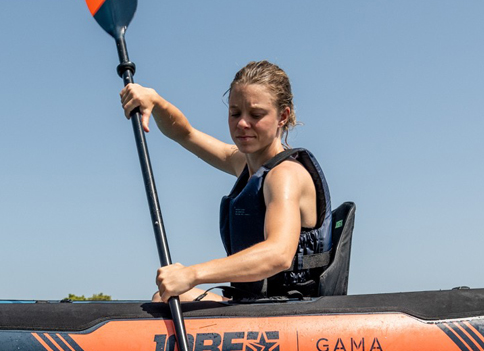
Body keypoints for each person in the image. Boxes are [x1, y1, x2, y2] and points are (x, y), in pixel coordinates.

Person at [120, 60, 332, 302]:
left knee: (169, 297)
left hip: (286, 311)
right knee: (164, 297)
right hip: (253, 304)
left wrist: (193, 274)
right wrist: (155, 101)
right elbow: (185, 133)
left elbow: (279, 254)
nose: (242, 123)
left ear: (283, 116)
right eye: (235, 113)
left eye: (256, 114)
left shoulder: (284, 175)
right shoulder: (243, 163)